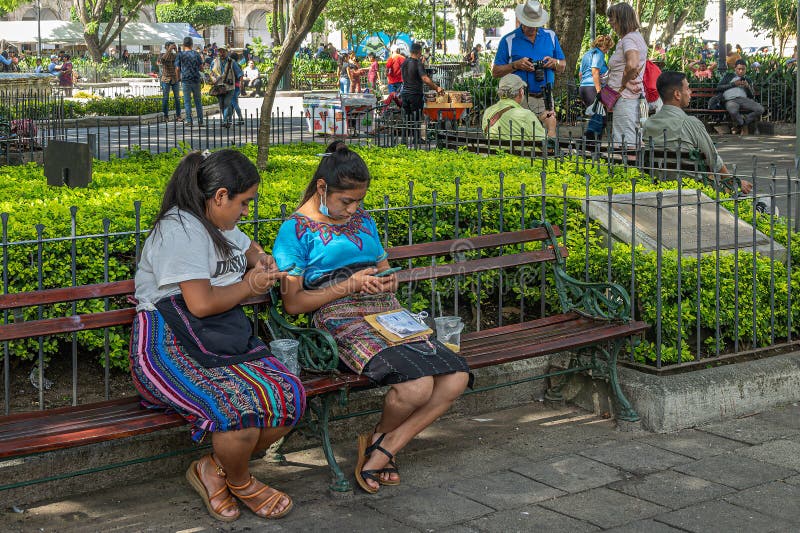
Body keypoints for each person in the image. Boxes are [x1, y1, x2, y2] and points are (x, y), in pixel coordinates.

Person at [271, 141, 470, 495]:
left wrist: (387, 278)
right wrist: (348, 286)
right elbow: (294, 304)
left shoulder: (363, 220)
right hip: (338, 317)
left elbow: (383, 268)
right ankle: (382, 447)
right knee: (417, 386)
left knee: (455, 379)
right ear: (321, 188)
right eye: (346, 201)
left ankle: (382, 444)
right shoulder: (295, 230)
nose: (354, 209)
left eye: (359, 201)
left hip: (387, 311)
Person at [130, 149, 306, 522]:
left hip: (221, 338)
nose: (246, 212)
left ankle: (212, 468)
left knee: (288, 396)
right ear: (221, 195)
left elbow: (249, 249)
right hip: (170, 345)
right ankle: (242, 482)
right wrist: (249, 285)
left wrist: (262, 261)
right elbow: (201, 304)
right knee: (237, 410)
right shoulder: (180, 231)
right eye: (244, 203)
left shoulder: (217, 221)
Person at [643, 71, 752, 194]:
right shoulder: (690, 123)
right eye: (688, 88)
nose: (690, 92)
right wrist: (734, 182)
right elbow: (713, 160)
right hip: (695, 190)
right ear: (677, 94)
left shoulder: (648, 123)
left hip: (661, 187)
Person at [490, 0, 566, 138]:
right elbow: (495, 72)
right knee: (523, 137)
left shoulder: (550, 36)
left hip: (546, 96)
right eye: (529, 24)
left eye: (535, 24)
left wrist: (554, 63)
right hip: (520, 98)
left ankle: (548, 155)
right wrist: (515, 65)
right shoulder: (509, 39)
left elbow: (563, 66)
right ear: (521, 20)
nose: (532, 28)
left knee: (550, 131)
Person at [605, 2, 648, 146]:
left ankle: (628, 169)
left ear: (622, 19)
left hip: (626, 99)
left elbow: (632, 63)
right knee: (634, 142)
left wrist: (624, 82)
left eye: (612, 18)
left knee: (626, 146)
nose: (610, 22)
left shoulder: (628, 39)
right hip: (633, 99)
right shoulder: (636, 37)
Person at [482, 74, 545, 141]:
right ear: (521, 92)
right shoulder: (525, 115)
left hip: (495, 151)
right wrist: (551, 128)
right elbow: (546, 147)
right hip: (521, 151)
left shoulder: (488, 112)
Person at [717, 59, 764, 135]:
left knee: (760, 109)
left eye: (743, 69)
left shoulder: (747, 79)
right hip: (731, 100)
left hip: (744, 99)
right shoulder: (728, 76)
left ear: (746, 69)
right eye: (739, 69)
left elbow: (752, 95)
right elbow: (719, 87)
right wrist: (734, 84)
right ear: (735, 69)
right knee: (733, 111)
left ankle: (743, 123)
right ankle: (743, 125)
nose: (741, 71)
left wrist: (747, 87)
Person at [400, 42, 445, 118]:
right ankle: (415, 130)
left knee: (407, 120)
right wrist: (437, 88)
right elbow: (425, 78)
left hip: (404, 95)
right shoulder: (418, 63)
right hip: (415, 96)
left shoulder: (405, 62)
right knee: (416, 120)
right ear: (419, 52)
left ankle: (409, 130)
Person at [211, 46, 242, 128]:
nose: (221, 53)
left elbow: (240, 74)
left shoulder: (232, 62)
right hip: (219, 87)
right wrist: (212, 79)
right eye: (220, 51)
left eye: (223, 51)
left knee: (227, 103)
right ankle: (229, 119)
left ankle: (225, 121)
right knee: (222, 105)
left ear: (227, 52)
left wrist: (241, 85)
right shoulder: (215, 61)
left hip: (229, 87)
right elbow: (211, 73)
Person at [578, 34, 614, 107]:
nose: (607, 51)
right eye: (608, 48)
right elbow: (595, 71)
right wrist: (598, 92)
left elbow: (580, 74)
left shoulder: (587, 54)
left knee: (595, 115)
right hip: (593, 89)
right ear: (604, 46)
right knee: (598, 116)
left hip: (583, 88)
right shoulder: (599, 54)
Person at [176, 37, 204, 127]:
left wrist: (178, 78)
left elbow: (177, 68)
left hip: (186, 80)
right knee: (198, 101)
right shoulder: (196, 54)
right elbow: (201, 68)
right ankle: (200, 121)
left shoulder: (180, 55)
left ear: (183, 45)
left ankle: (189, 121)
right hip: (196, 80)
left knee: (187, 101)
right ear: (192, 45)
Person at [158, 41, 182, 122]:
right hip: (166, 79)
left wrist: (177, 50)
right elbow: (163, 60)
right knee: (165, 98)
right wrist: (169, 50)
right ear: (166, 47)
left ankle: (178, 116)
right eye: (169, 46)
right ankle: (165, 116)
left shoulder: (175, 55)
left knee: (177, 99)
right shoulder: (162, 55)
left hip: (175, 79)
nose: (171, 47)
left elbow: (181, 59)